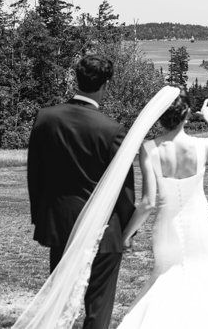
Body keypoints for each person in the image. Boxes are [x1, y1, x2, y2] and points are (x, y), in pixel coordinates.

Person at [27, 54, 134, 329]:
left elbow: (35, 174)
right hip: (103, 229)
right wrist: (127, 229)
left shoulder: (45, 118)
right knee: (98, 305)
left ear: (77, 79)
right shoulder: (112, 131)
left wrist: (41, 217)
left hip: (60, 225)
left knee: (59, 302)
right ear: (106, 85)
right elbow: (124, 190)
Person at [117, 89, 208, 329]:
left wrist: (126, 234)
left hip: (166, 226)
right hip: (200, 224)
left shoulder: (149, 149)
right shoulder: (201, 146)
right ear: (187, 114)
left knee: (165, 275)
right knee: (203, 274)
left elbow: (148, 203)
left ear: (160, 117)